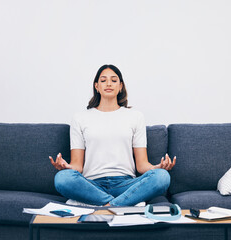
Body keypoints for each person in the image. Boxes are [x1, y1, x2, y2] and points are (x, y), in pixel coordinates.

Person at [49, 64, 176, 206]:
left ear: (120, 86)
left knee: (162, 177)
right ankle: (120, 205)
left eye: (114, 80)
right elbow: (77, 166)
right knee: (62, 178)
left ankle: (107, 206)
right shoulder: (80, 118)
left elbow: (141, 165)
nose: (108, 83)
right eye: (103, 80)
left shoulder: (135, 117)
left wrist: (158, 167)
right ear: (96, 86)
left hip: (126, 185)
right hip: (92, 185)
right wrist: (66, 167)